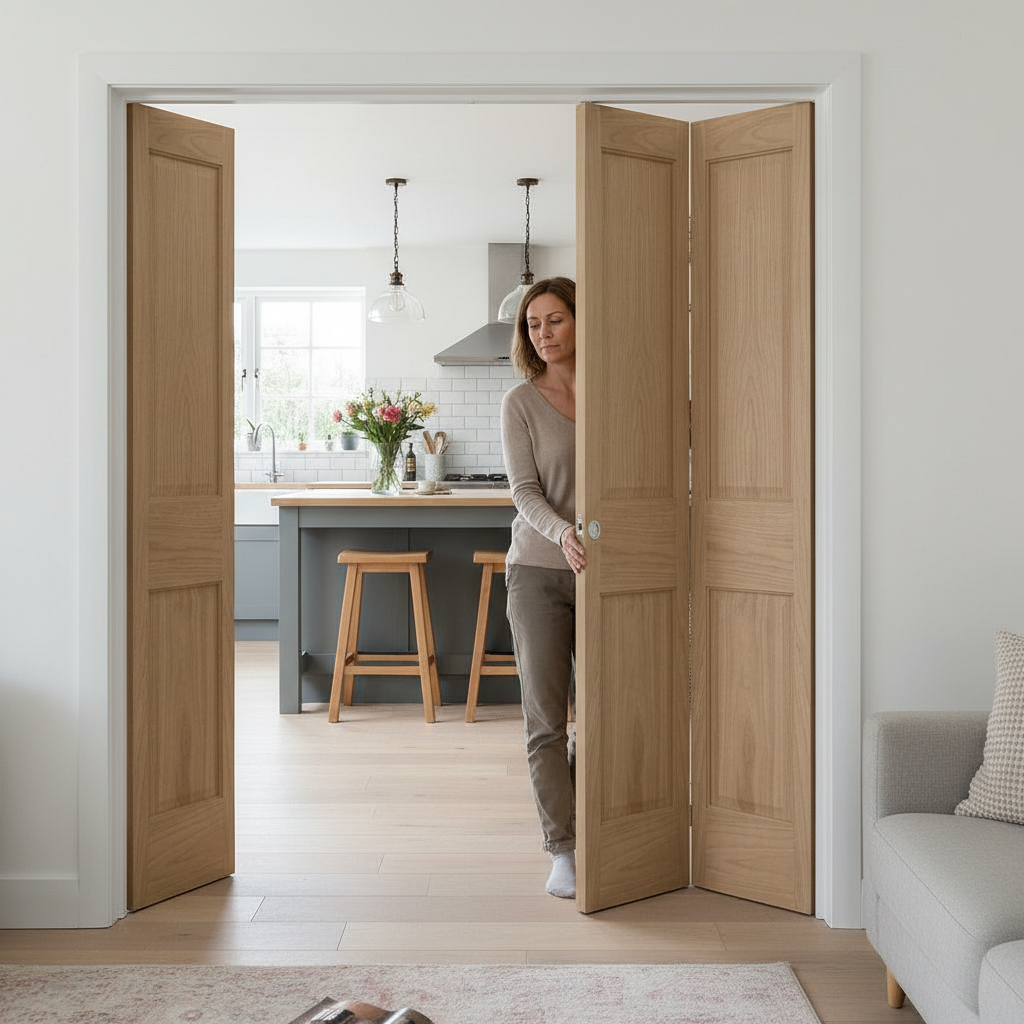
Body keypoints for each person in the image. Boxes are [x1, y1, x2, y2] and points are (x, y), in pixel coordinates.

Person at [499, 276, 587, 899]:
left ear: (580, 321)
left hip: (605, 573)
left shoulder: (611, 392)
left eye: (554, 320)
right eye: (533, 324)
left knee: (607, 713)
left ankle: (598, 825)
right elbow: (524, 492)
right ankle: (563, 848)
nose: (543, 333)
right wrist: (562, 533)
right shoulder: (521, 403)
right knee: (547, 720)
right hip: (538, 570)